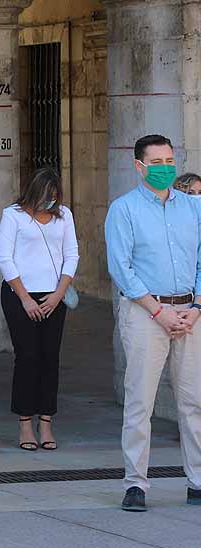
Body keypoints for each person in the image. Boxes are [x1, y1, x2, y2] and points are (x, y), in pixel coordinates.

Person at [105, 133, 201, 512]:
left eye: (169, 161)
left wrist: (196, 306)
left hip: (190, 314)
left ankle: (197, 480)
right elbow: (121, 268)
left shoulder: (193, 209)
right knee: (140, 402)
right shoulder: (124, 209)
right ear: (139, 166)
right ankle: (136, 484)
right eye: (156, 163)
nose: (165, 168)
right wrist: (159, 312)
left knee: (193, 401)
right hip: (146, 313)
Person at [0, 167, 79, 452]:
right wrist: (25, 299)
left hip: (54, 295)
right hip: (20, 295)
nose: (51, 201)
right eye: (46, 195)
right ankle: (25, 423)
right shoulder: (13, 215)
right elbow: (4, 258)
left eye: (55, 196)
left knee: (49, 358)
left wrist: (59, 293)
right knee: (28, 357)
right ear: (34, 192)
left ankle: (46, 421)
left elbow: (72, 254)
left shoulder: (64, 216)